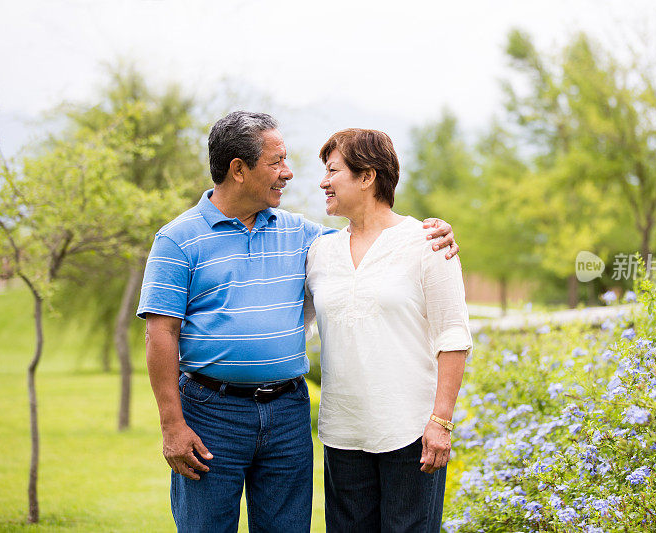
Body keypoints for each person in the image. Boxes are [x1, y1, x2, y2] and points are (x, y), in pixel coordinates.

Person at [137, 112, 458, 533]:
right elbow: (160, 332)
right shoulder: (177, 239)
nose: (289, 173)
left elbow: (371, 242)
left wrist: (431, 232)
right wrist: (172, 424)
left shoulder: (304, 236)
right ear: (238, 169)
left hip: (287, 414)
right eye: (277, 162)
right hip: (212, 415)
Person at [305, 128, 472, 532]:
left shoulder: (427, 242)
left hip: (411, 432)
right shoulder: (320, 251)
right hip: (343, 434)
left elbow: (453, 337)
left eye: (333, 171)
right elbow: (296, 324)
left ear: (367, 177)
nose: (323, 182)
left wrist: (440, 422)